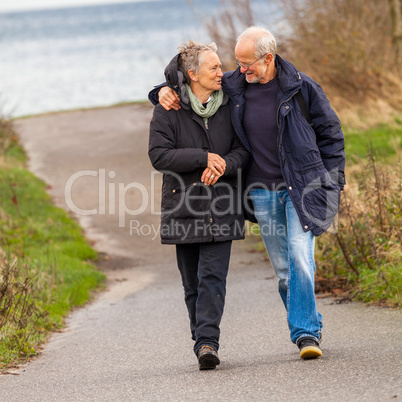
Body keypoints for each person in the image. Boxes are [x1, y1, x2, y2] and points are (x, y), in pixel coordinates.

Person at [149, 27, 346, 360]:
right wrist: (160, 92)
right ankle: (306, 322)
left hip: (301, 189)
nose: (238, 70)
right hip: (262, 193)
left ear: (267, 58)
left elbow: (331, 134)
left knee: (300, 256)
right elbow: (189, 82)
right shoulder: (237, 85)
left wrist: (332, 181)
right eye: (236, 64)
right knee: (284, 270)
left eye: (246, 63)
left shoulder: (302, 87)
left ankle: (305, 333)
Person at [148, 41, 250, 370]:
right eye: (214, 68)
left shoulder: (231, 104)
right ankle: (201, 340)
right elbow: (159, 156)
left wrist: (225, 164)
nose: (223, 72)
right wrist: (203, 157)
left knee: (212, 277)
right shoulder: (168, 107)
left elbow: (243, 150)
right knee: (191, 282)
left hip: (223, 203)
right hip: (183, 205)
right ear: (192, 74)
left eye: (220, 67)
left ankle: (208, 341)